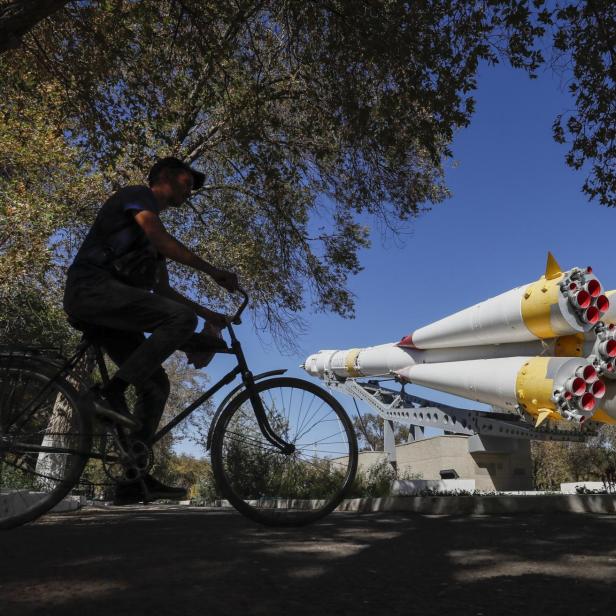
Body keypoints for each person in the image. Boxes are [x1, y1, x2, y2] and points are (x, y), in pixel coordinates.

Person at [63, 157, 238, 504]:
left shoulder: (150, 243)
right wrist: (212, 271)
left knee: (157, 384)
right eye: (187, 182)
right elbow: (159, 237)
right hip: (91, 290)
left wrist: (211, 315)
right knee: (180, 320)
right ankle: (109, 393)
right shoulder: (137, 196)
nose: (191, 190)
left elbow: (165, 293)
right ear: (165, 177)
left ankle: (133, 478)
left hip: (112, 309)